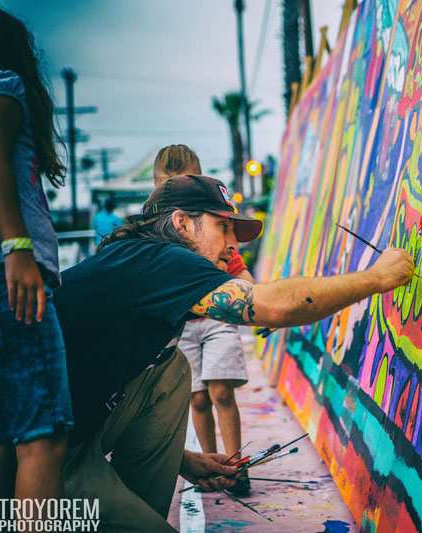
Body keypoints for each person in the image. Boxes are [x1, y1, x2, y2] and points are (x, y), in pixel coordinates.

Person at [54, 174, 413, 530]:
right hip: (41, 463)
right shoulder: (163, 260)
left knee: (171, 368)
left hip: (79, 432)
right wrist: (377, 278)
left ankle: (136, 508)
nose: (232, 245)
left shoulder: (144, 261)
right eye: (222, 228)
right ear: (181, 223)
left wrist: (184, 461)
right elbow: (272, 306)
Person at [0, 5, 73, 519]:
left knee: (5, 432)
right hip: (10, 280)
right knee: (42, 435)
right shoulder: (5, 85)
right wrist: (18, 248)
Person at [153, 144, 253, 496]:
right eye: (169, 185)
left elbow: (240, 270)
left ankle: (236, 466)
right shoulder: (156, 237)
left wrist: (258, 303)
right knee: (196, 399)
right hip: (183, 327)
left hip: (217, 319)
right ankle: (211, 469)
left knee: (222, 391)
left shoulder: (213, 226)